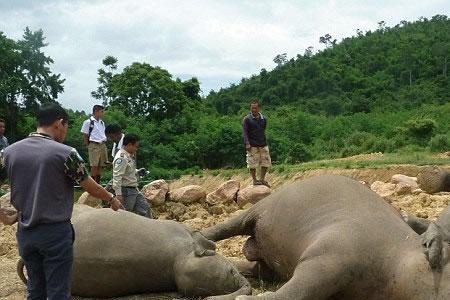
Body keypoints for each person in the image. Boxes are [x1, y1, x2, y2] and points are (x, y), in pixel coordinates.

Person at [0, 103, 122, 300]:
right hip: (55, 234)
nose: (66, 132)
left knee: (35, 290)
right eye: (66, 127)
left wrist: (2, 215)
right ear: (59, 123)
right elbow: (89, 186)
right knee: (58, 293)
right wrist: (111, 198)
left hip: (25, 233)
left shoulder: (10, 152)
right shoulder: (66, 153)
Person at [112, 133, 152, 218]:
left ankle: (148, 230)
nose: (136, 149)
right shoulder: (121, 158)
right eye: (136, 146)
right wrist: (118, 195)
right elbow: (117, 176)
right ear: (129, 145)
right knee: (125, 215)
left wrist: (137, 172)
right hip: (126, 191)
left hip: (134, 190)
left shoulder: (128, 156)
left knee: (146, 209)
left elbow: (128, 171)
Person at [242, 100, 272, 187]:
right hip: (252, 145)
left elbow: (263, 130)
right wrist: (247, 143)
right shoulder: (247, 119)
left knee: (266, 162)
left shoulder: (264, 119)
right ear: (250, 108)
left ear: (259, 108)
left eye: (255, 108)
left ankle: (262, 179)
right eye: (252, 108)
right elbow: (245, 132)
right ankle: (255, 180)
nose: (254, 109)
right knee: (252, 163)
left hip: (263, 144)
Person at [80, 105, 108, 184]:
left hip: (102, 144)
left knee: (101, 165)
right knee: (94, 165)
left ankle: (98, 183)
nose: (103, 113)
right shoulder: (88, 122)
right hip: (94, 144)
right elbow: (85, 135)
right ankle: (93, 184)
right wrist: (88, 145)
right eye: (101, 111)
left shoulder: (102, 122)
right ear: (96, 111)